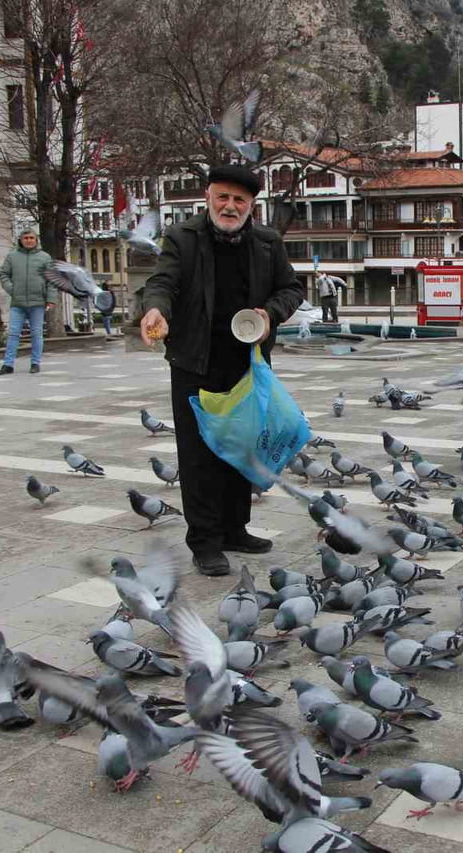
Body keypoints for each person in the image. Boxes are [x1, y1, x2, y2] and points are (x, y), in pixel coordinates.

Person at [139, 164, 306, 576]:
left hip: (246, 364)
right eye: (223, 197)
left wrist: (270, 314)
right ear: (209, 197)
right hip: (195, 361)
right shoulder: (183, 238)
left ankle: (235, 529)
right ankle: (205, 541)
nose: (230, 206)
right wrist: (155, 309)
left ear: (251, 205)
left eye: (240, 200)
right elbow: (163, 282)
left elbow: (292, 289)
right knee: (198, 455)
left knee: (242, 448)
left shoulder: (268, 243)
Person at [0, 230, 55, 375]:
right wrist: (12, 289)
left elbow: (52, 280)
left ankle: (35, 363)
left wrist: (51, 299)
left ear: (36, 240)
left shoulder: (44, 257)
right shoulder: (12, 256)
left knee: (37, 333)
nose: (29, 240)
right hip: (18, 303)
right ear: (21, 240)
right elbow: (4, 274)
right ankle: (8, 364)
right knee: (13, 334)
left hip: (38, 302)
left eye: (31, 238)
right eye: (26, 238)